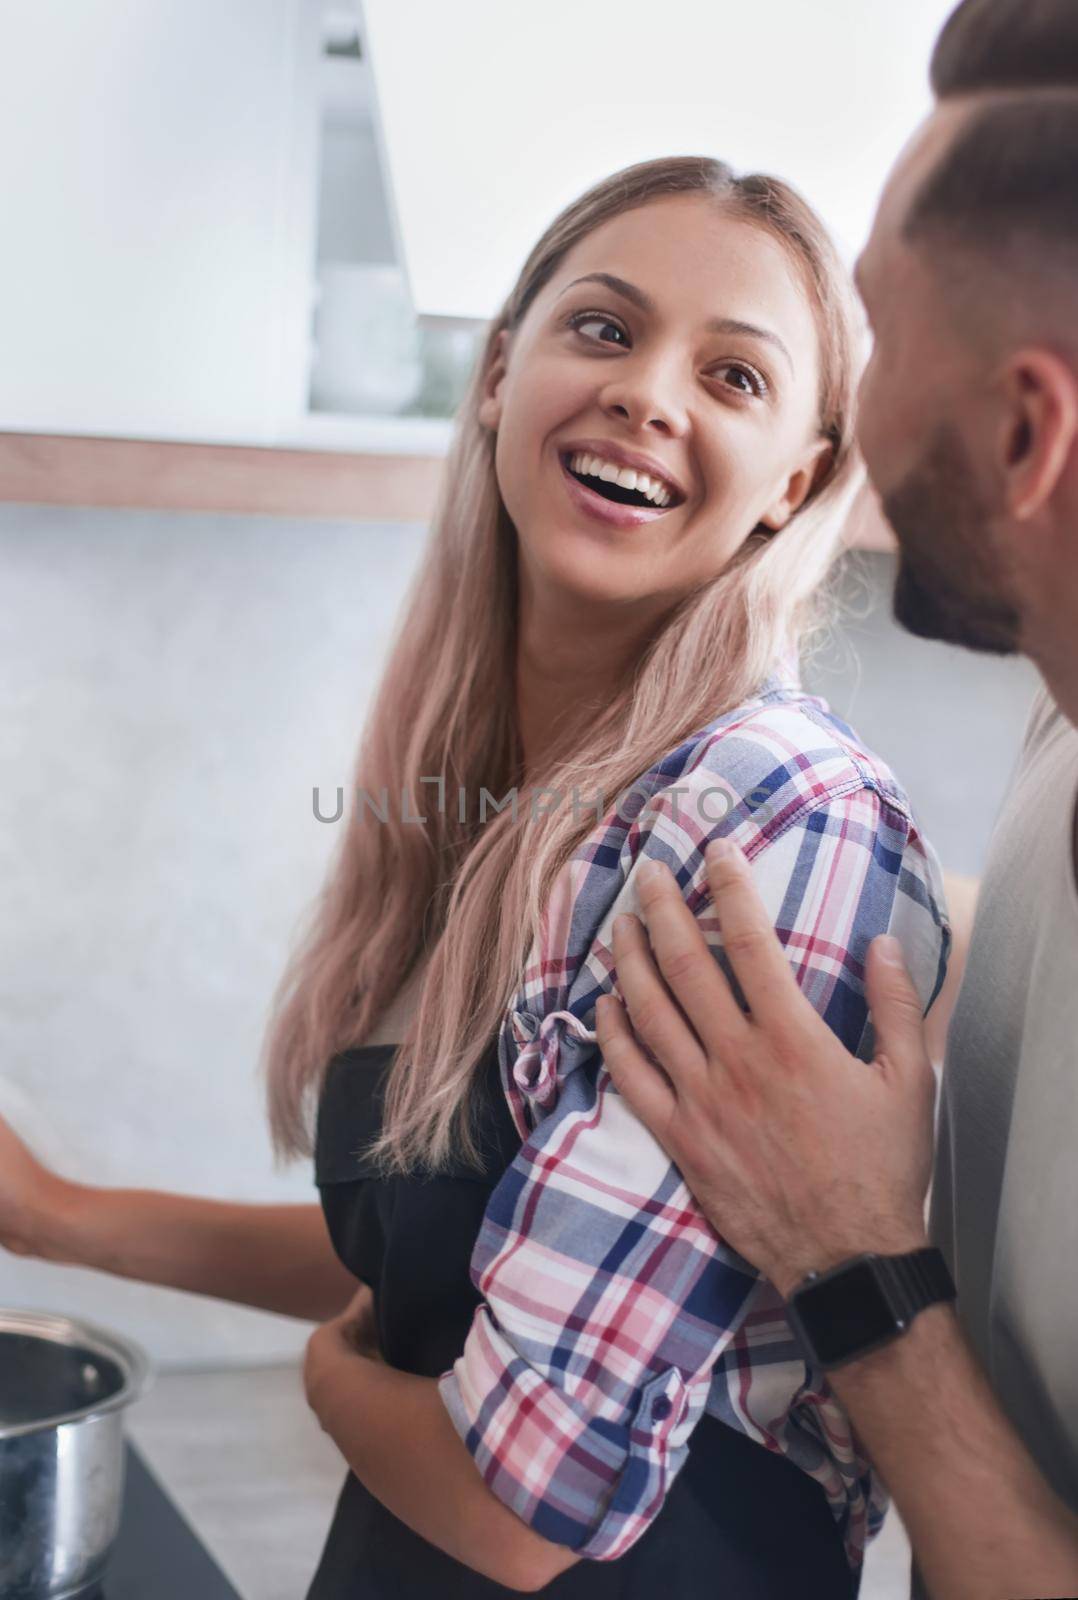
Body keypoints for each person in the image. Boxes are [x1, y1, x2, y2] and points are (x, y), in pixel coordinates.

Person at [0, 157, 949, 1596]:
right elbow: (468, 1272)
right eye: (604, 329)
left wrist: (329, 1385)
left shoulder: (770, 814)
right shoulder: (483, 801)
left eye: (735, 377)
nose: (646, 392)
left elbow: (525, 1506)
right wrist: (49, 1214)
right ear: (500, 374)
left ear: (796, 485)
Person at [593, 4, 1078, 1600]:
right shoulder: (1053, 743)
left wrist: (847, 1254)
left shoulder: (790, 806)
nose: (846, 435)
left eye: (873, 328)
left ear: (1025, 431)